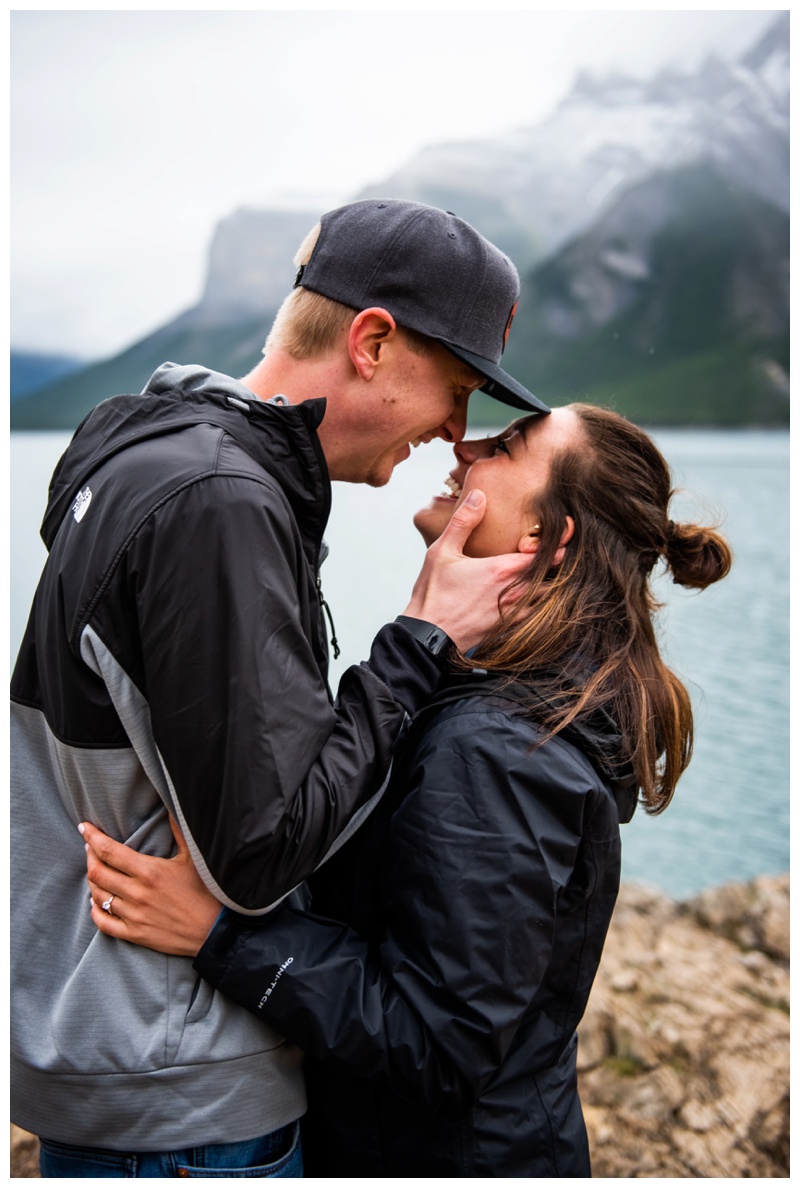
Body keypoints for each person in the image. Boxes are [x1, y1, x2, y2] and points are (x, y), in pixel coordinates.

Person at [10, 199, 551, 1178]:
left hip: (102, 1051)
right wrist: (417, 642)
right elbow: (257, 852)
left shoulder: (144, 457)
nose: (455, 433)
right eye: (457, 389)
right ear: (373, 343)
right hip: (183, 1093)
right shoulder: (220, 502)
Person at [83, 403, 733, 1176]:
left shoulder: (498, 751)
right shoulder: (509, 703)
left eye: (509, 446)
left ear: (544, 539)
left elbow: (438, 1041)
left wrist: (223, 937)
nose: (467, 443)